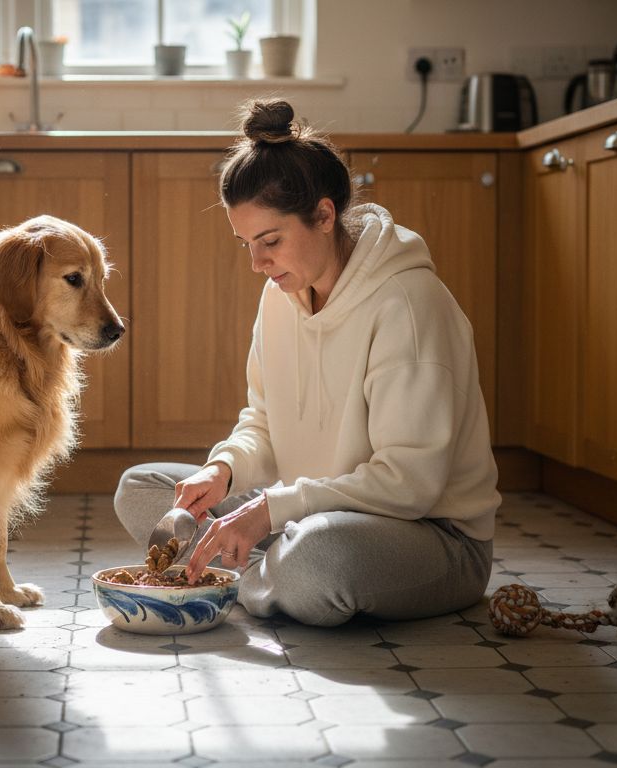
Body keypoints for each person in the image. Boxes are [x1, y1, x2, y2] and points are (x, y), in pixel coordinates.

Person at [112, 99, 501, 627]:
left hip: (430, 537)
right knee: (143, 489)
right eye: (246, 243)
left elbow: (409, 484)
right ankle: (267, 572)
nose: (257, 263)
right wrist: (224, 469)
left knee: (318, 560)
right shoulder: (282, 293)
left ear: (324, 215)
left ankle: (249, 574)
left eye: (270, 241)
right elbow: (263, 422)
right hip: (308, 514)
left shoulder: (407, 304)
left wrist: (272, 509)